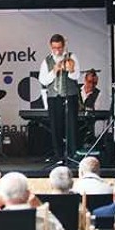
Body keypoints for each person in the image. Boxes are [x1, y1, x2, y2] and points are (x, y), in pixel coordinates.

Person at [38, 33, 80, 162]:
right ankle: (59, 155)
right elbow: (43, 80)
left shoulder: (71, 57)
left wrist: (71, 70)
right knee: (56, 126)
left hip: (70, 95)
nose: (57, 51)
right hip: (54, 96)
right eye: (54, 48)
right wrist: (54, 71)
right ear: (50, 46)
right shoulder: (46, 61)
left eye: (59, 48)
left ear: (63, 46)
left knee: (71, 125)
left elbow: (76, 76)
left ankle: (73, 154)